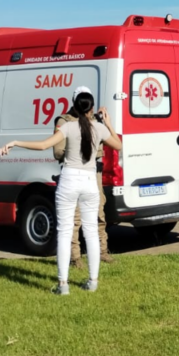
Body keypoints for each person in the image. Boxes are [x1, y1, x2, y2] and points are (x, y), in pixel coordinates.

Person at [0, 87, 121, 294]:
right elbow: (118, 145)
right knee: (91, 232)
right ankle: (93, 281)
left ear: (74, 106)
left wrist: (15, 142)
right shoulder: (99, 128)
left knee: (64, 232)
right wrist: (107, 122)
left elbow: (43, 145)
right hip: (90, 181)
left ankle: (63, 285)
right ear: (92, 108)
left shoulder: (68, 127)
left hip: (69, 180)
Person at [53, 104, 114, 269]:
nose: (91, 110)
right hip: (74, 173)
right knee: (75, 218)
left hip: (94, 173)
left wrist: (106, 124)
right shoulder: (65, 122)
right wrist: (77, 150)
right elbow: (57, 151)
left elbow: (114, 143)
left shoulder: (95, 122)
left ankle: (102, 251)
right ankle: (75, 258)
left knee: (100, 213)